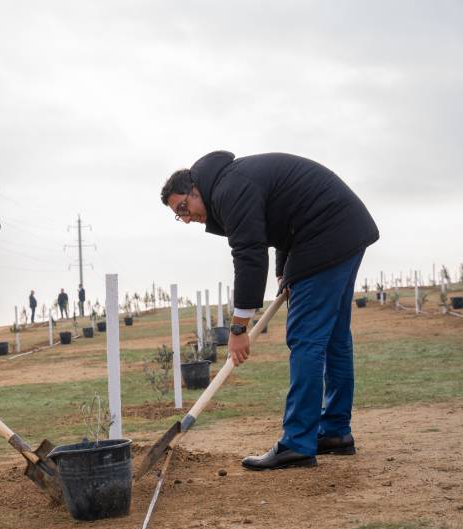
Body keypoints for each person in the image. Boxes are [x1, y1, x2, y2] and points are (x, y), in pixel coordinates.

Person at [161, 151, 378, 470]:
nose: (187, 217)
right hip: (341, 229)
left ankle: (297, 443)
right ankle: (334, 432)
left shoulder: (229, 189)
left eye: (184, 207)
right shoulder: (233, 182)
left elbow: (249, 254)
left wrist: (238, 329)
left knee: (306, 339)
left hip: (327, 232)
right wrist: (284, 273)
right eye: (179, 215)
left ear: (196, 188)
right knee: (333, 338)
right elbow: (280, 225)